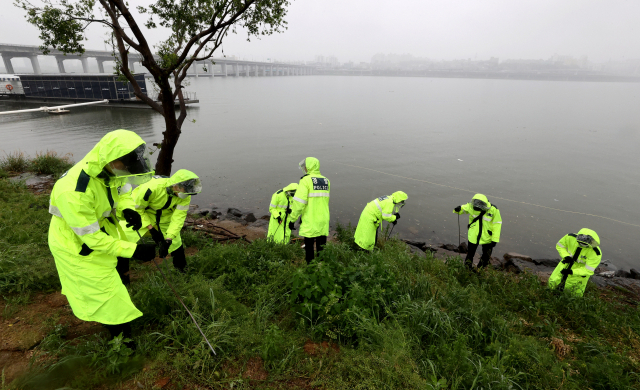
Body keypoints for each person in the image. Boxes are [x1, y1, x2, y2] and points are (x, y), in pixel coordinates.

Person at [48, 130, 157, 346]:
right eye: (126, 166)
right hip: (75, 244)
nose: (128, 171)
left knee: (112, 282)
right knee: (103, 294)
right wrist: (134, 251)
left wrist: (128, 210)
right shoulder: (74, 192)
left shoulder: (110, 169)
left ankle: (121, 330)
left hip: (100, 233)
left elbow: (124, 191)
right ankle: (122, 343)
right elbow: (92, 239)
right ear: (113, 161)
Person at [121, 169, 202, 273]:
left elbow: (179, 217)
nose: (186, 194)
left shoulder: (186, 195)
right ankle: (123, 275)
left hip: (165, 215)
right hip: (141, 213)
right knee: (123, 237)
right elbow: (137, 208)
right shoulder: (151, 189)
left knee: (176, 244)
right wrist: (151, 230)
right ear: (176, 186)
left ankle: (182, 273)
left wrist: (169, 239)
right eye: (184, 190)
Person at [290, 157, 330, 264]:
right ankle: (321, 268)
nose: (305, 168)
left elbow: (299, 203)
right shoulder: (326, 180)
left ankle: (310, 269)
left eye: (305, 166)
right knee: (322, 246)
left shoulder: (305, 180)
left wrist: (292, 219)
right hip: (323, 218)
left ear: (308, 167)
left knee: (309, 247)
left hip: (311, 219)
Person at [453, 193, 502, 270]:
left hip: (487, 237)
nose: (476, 207)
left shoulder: (493, 210)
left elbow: (497, 225)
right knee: (470, 254)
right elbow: (463, 208)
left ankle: (480, 270)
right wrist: (458, 209)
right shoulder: (471, 206)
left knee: (486, 256)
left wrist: (495, 239)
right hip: (473, 235)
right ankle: (467, 269)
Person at [548, 228, 602, 297]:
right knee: (555, 280)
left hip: (580, 272)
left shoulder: (596, 253)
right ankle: (550, 293)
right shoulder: (570, 237)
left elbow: (588, 270)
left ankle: (569, 301)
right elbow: (560, 245)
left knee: (574, 290)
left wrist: (572, 272)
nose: (582, 244)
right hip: (566, 263)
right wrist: (566, 256)